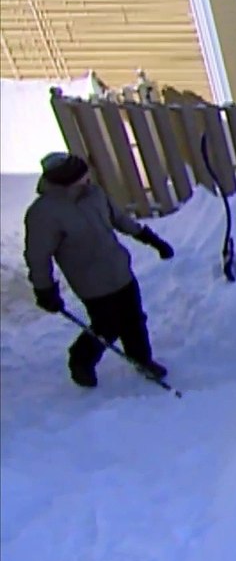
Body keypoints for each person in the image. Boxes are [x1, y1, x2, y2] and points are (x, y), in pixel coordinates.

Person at [23, 151, 175, 388]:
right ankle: (80, 360)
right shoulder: (43, 214)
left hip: (119, 271)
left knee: (134, 319)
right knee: (107, 326)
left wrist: (151, 239)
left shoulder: (94, 194)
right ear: (67, 181)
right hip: (91, 283)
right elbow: (38, 256)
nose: (88, 178)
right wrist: (44, 289)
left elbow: (120, 220)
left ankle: (142, 360)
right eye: (83, 176)